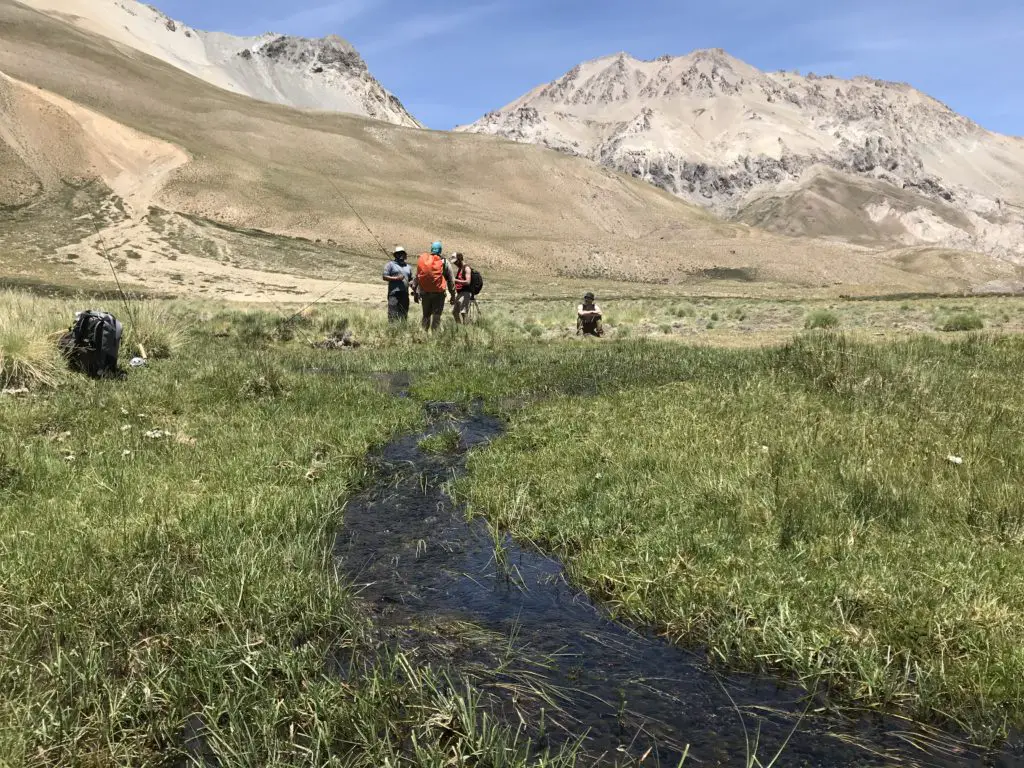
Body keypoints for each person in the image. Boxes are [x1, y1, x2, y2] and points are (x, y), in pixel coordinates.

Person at [413, 241, 455, 331]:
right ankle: (434, 337)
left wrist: (416, 293)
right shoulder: (444, 262)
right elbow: (451, 281)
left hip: (425, 293)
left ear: (431, 249)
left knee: (426, 315)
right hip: (438, 294)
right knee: (436, 315)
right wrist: (453, 295)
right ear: (440, 250)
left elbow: (417, 277)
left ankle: (423, 334)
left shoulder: (424, 261)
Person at [382, 246, 413, 322]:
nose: (401, 255)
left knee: (404, 314)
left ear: (405, 255)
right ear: (395, 255)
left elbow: (411, 279)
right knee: (392, 314)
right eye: (398, 254)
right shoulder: (390, 264)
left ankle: (402, 329)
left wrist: (412, 284)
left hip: (405, 294)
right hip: (393, 293)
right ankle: (392, 331)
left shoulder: (408, 267)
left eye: (402, 254)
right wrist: (396, 278)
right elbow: (384, 277)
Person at [451, 252, 474, 324]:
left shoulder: (467, 268)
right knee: (455, 312)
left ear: (460, 259)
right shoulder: (460, 269)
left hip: (466, 293)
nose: (455, 264)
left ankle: (466, 330)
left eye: (456, 262)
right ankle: (460, 328)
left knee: (464, 313)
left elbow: (468, 282)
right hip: (460, 293)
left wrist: (455, 280)